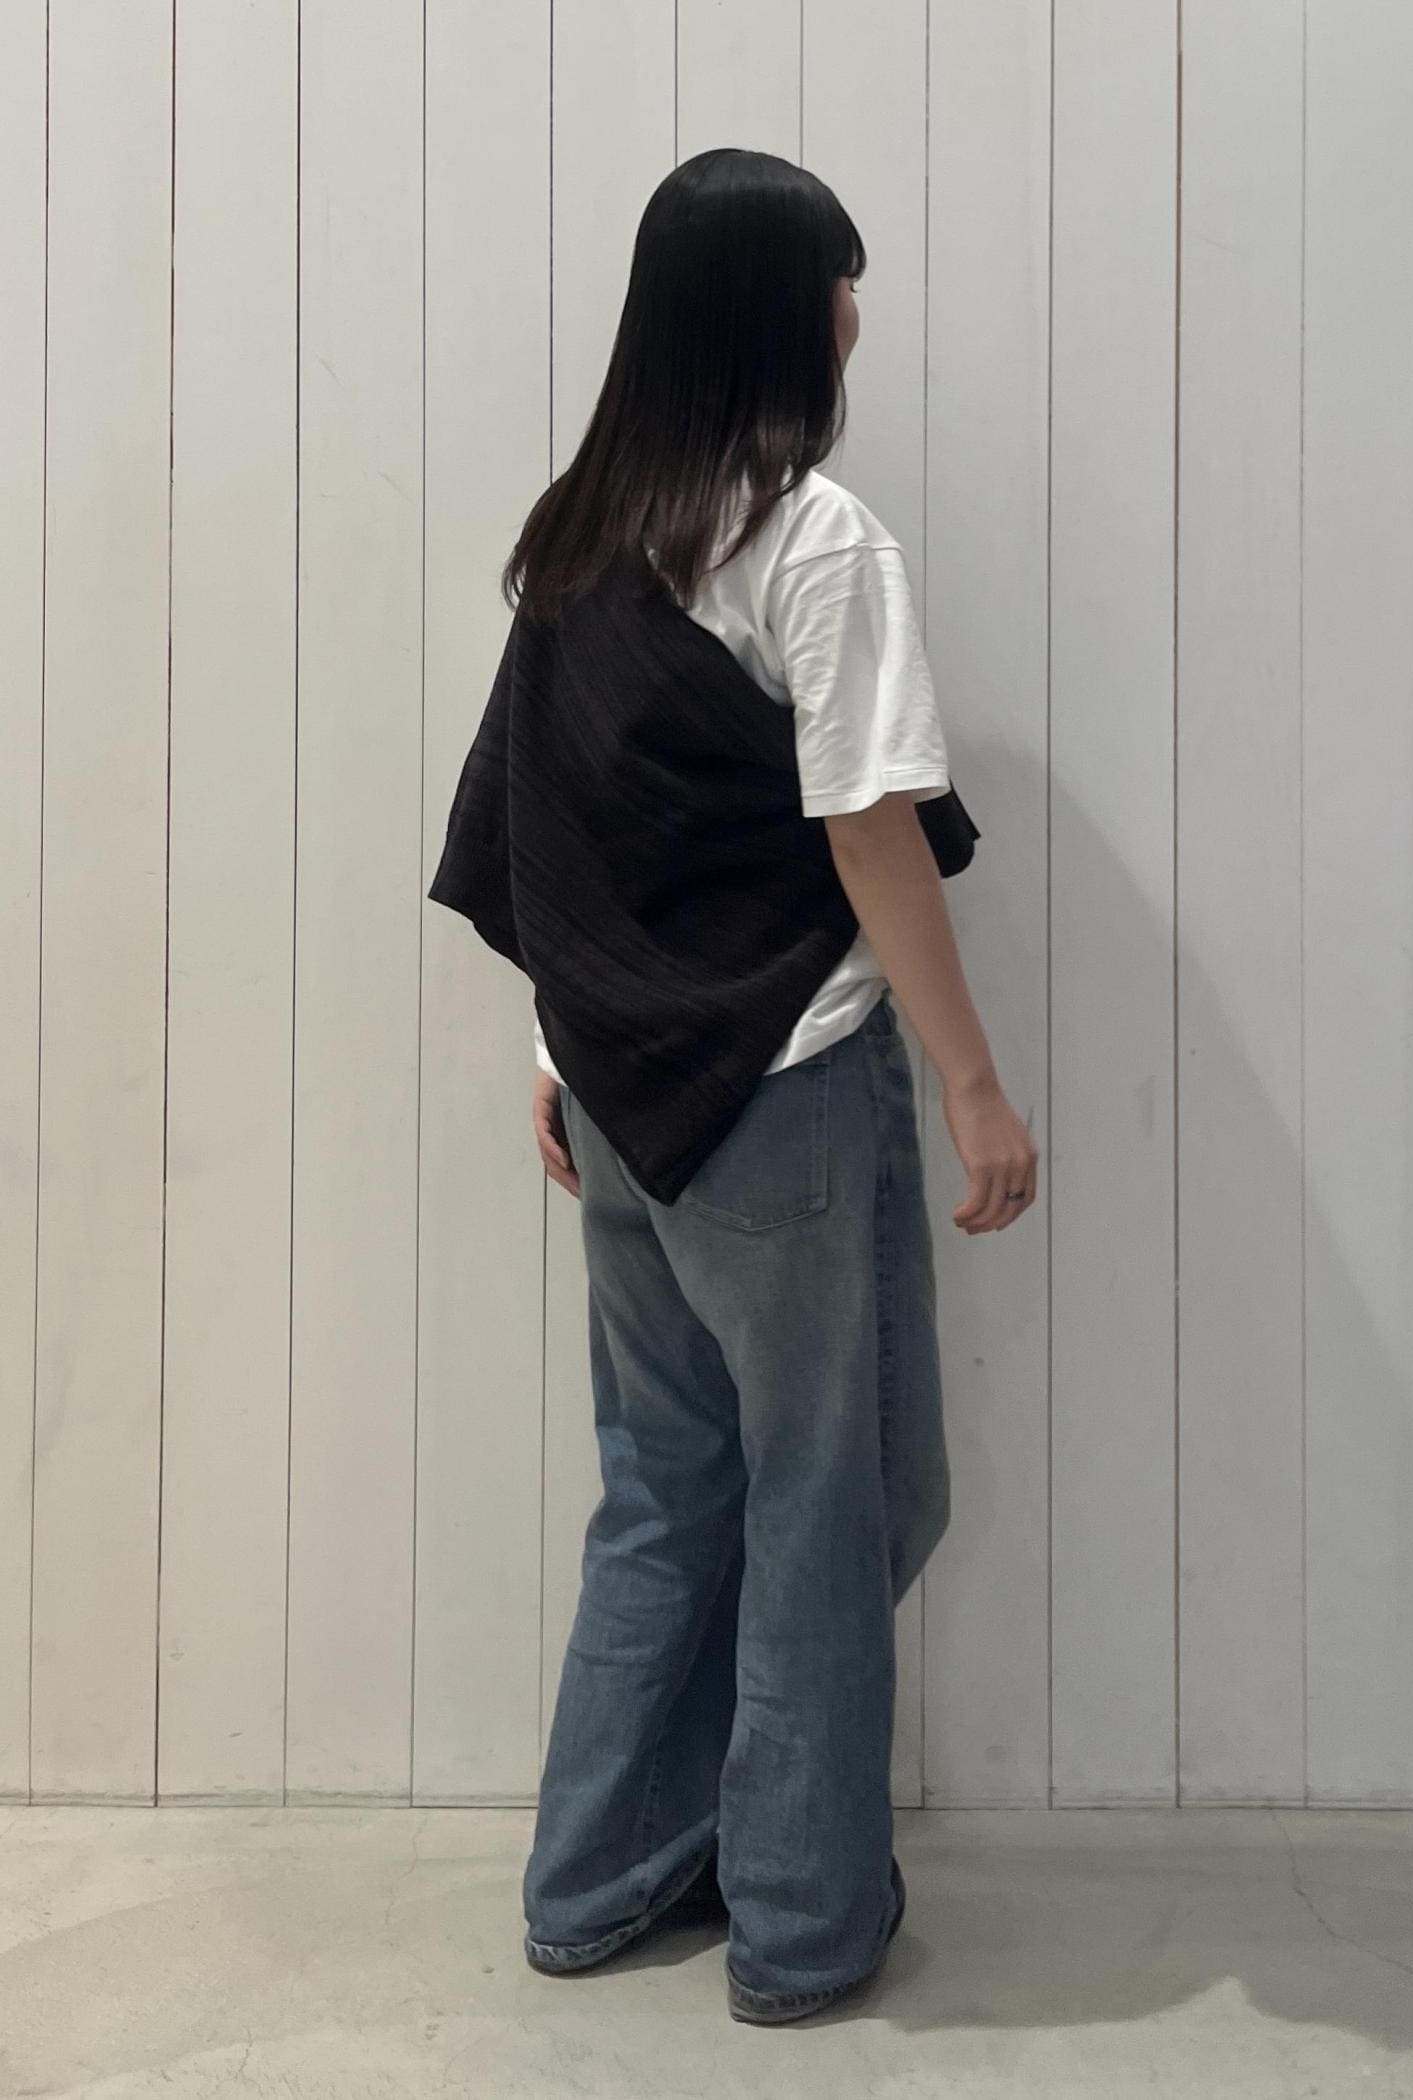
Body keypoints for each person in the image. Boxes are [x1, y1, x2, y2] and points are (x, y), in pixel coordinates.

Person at [428, 146, 1037, 2027]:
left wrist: (560, 1046)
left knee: (670, 1494)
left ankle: (598, 1878)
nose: (857, 313)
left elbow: (555, 824)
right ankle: (799, 1921)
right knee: (841, 1505)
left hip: (625, 1100)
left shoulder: (581, 529)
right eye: (841, 279)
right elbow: (870, 832)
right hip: (782, 1093)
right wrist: (974, 1084)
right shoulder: (817, 540)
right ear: (780, 310)